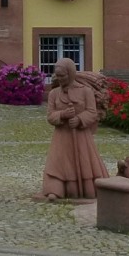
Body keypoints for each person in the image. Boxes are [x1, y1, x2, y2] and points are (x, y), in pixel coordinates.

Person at [41, 57, 109, 199]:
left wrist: (79, 119)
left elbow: (92, 112)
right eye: (57, 76)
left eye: (63, 76)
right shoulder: (54, 94)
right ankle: (55, 190)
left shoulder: (85, 91)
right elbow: (50, 116)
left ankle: (83, 190)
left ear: (70, 74)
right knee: (57, 165)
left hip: (81, 137)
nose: (59, 79)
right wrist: (62, 115)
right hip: (61, 137)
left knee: (84, 163)